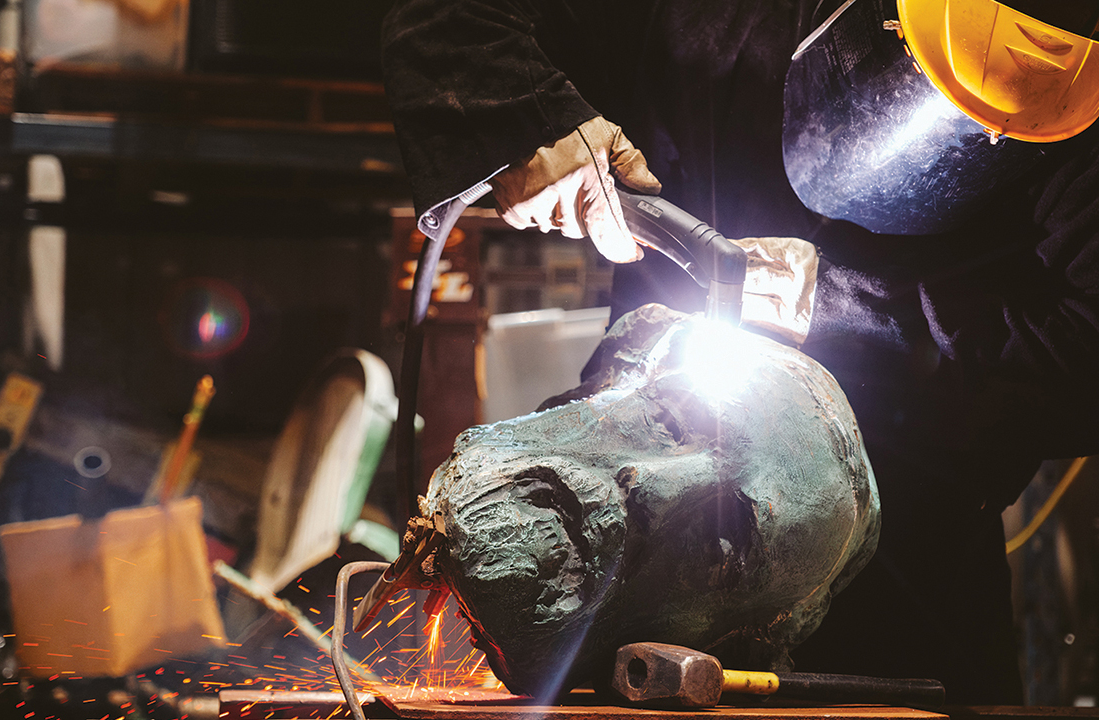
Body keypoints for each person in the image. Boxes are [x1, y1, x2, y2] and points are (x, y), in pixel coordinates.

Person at [380, 0, 1099, 704]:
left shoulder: (1077, 101)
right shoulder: (710, 21)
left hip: (907, 571)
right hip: (635, 560)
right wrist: (530, 119)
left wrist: (852, 310)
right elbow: (450, 18)